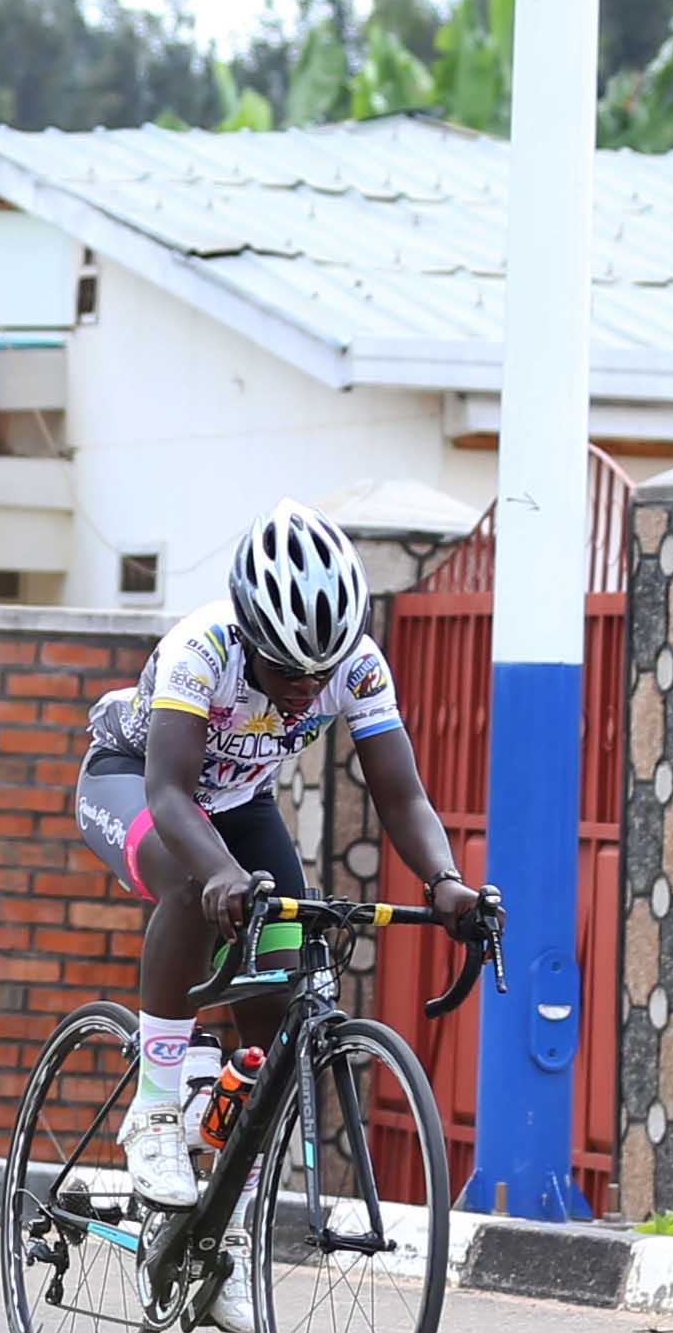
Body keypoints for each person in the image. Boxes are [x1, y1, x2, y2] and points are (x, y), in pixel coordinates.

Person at [72, 504, 490, 1233]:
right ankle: (156, 1109)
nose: (304, 686)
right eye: (286, 668)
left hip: (238, 802)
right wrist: (219, 873)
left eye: (319, 671)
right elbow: (170, 793)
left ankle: (225, 1227)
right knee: (190, 880)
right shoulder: (203, 648)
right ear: (250, 634)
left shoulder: (358, 667)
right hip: (136, 782)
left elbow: (401, 793)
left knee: (281, 991)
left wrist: (444, 881)